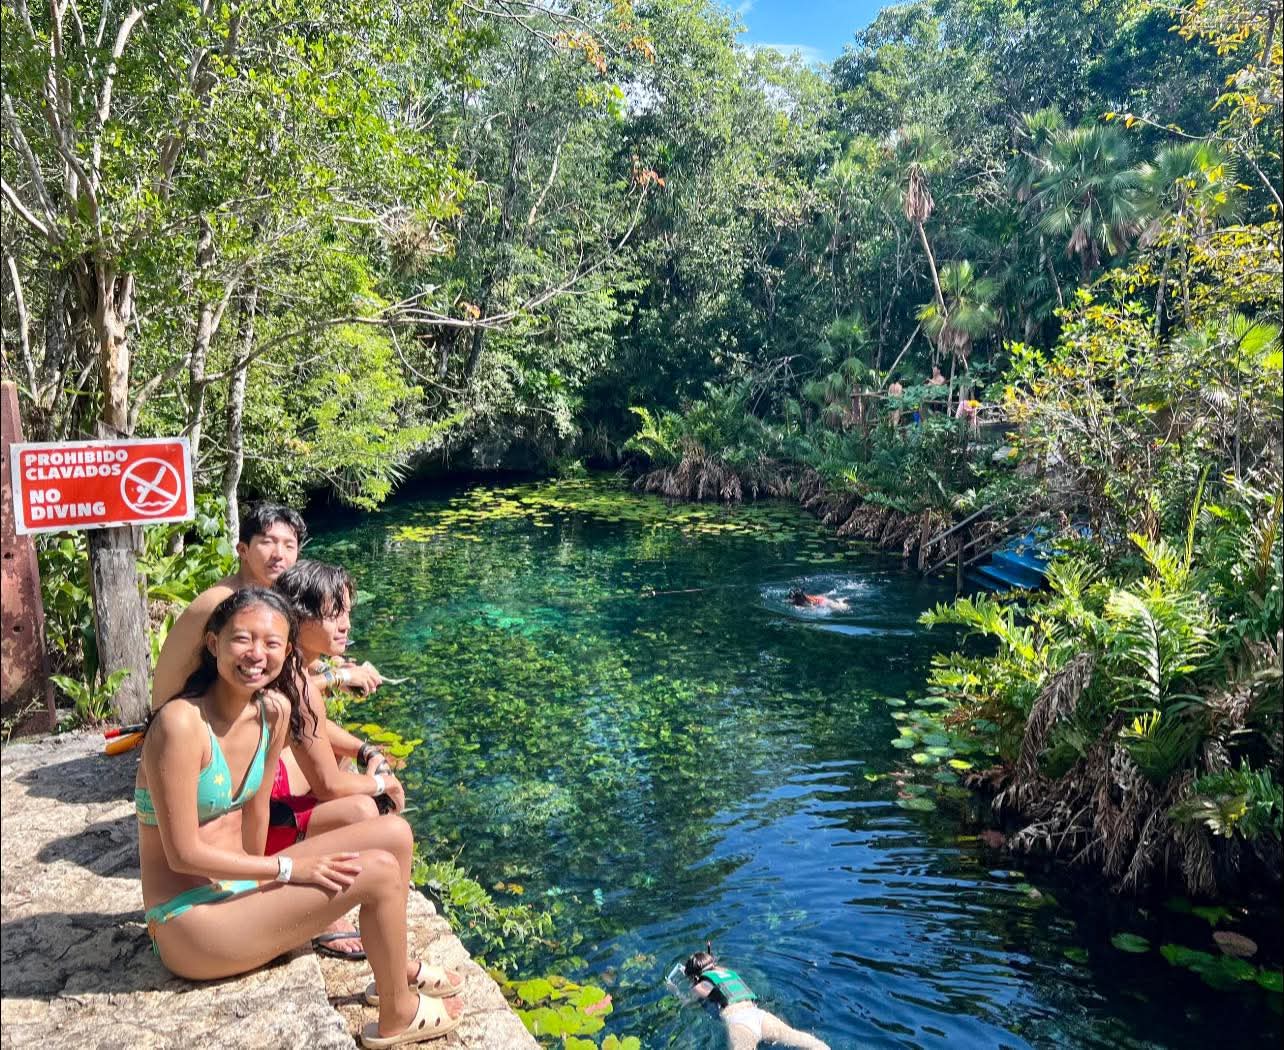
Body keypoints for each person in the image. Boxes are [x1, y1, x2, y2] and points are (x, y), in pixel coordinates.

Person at [135, 588, 464, 1047]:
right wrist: (288, 869)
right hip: (189, 923)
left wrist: (274, 891)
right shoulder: (180, 724)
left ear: (288, 651)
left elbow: (254, 824)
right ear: (213, 644)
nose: (256, 655)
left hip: (242, 892)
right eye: (242, 640)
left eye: (271, 644)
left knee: (393, 833)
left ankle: (392, 965)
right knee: (379, 872)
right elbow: (184, 854)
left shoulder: (274, 711)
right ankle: (397, 1013)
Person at [152, 502, 396, 959]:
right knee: (364, 825)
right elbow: (313, 737)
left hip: (227, 743)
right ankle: (335, 925)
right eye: (268, 542)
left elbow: (306, 707)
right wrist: (284, 871)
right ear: (243, 548)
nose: (279, 554)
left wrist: (355, 733)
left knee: (383, 828)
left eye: (289, 544)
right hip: (197, 740)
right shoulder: (227, 607)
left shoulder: (274, 697)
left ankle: (394, 974)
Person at [266, 559, 411, 960]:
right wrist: (383, 784)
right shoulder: (293, 677)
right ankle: (326, 914)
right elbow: (328, 783)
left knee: (345, 769)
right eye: (334, 614)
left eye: (346, 612)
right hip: (261, 838)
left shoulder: (289, 669)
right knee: (364, 811)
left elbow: (310, 728)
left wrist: (366, 751)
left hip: (259, 816)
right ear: (298, 616)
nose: (345, 624)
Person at [682, 949, 829, 1050]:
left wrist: (675, 990)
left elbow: (689, 1003)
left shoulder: (698, 986)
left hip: (739, 1024)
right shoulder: (728, 972)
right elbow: (715, 972)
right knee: (814, 1044)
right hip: (760, 1016)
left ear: (695, 977)